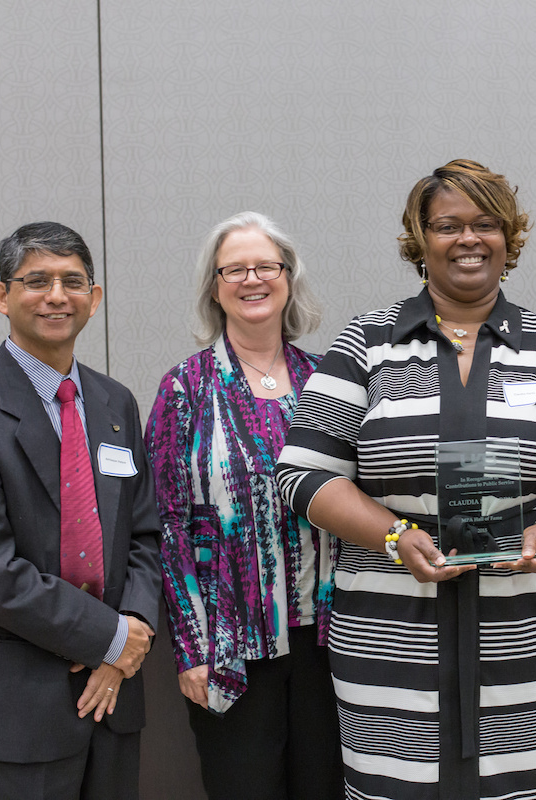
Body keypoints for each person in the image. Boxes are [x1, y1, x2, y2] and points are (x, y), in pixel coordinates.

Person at [275, 159, 536, 800]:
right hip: (393, 653)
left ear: (509, 237)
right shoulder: (368, 346)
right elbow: (304, 473)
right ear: (421, 241)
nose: (468, 239)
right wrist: (393, 535)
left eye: (485, 224)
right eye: (448, 225)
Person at [0, 222, 162, 800]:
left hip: (114, 698)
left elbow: (146, 535)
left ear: (94, 299)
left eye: (72, 281)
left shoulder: (115, 403)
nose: (57, 295)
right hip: (19, 713)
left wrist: (127, 645)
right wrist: (108, 639)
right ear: (2, 297)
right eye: (37, 281)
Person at [144, 212, 342, 799]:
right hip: (232, 650)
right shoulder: (184, 389)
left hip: (328, 646)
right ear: (215, 286)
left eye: (266, 266)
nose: (252, 279)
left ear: (288, 278)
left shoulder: (327, 381)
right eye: (235, 269)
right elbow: (169, 526)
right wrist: (191, 648)